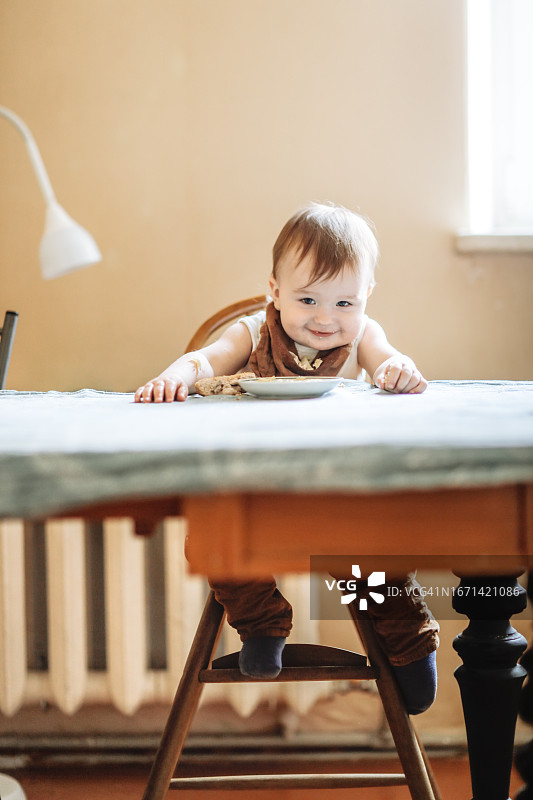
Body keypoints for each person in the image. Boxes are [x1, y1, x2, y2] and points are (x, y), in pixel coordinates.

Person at [135, 201, 439, 714]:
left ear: (366, 296)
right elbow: (204, 361)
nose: (326, 318)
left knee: (380, 564)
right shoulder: (252, 333)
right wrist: (177, 376)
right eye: (308, 300)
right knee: (211, 543)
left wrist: (398, 369)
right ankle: (262, 625)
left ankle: (408, 646)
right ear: (274, 292)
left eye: (345, 303)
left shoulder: (363, 335)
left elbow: (388, 359)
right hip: (255, 495)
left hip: (340, 500)